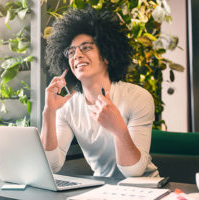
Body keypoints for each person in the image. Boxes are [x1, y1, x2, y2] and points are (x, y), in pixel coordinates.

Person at [41, 6, 159, 178]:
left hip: (144, 187)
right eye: (71, 51)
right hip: (101, 188)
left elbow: (134, 172)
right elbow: (52, 165)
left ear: (106, 55)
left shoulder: (137, 97)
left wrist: (118, 129)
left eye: (86, 47)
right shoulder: (67, 106)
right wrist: (49, 112)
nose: (77, 55)